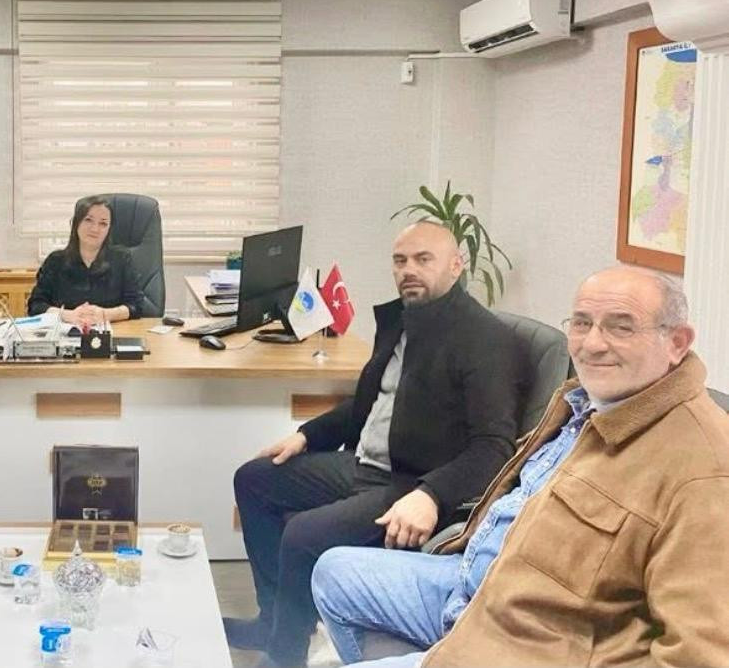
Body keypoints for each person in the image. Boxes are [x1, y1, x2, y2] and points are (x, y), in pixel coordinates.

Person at [311, 266, 729, 667]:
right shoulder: (586, 403)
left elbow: (701, 654)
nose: (592, 344)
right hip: (482, 584)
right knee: (333, 571)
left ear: (677, 342)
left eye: (621, 327)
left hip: (532, 641)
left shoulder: (705, 468)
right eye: (582, 323)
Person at [228, 220, 525, 668]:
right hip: (364, 464)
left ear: (456, 265)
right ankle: (273, 622)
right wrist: (307, 435)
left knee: (303, 534)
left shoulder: (484, 340)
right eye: (400, 261)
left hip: (411, 483)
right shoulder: (403, 321)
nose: (409, 270)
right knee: (254, 479)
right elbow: (370, 403)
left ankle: (284, 654)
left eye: (423, 259)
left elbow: (494, 446)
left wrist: (431, 495)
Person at [27, 195, 144, 326]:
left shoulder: (122, 259)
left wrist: (105, 314)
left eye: (103, 223)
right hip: (66, 333)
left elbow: (136, 305)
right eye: (88, 220)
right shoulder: (55, 261)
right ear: (76, 223)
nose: (95, 229)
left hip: (112, 332)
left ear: (109, 229)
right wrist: (67, 315)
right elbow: (36, 305)